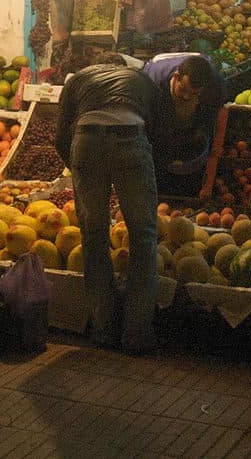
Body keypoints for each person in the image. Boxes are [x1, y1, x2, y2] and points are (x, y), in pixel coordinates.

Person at [54, 55, 159, 354]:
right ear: (121, 67)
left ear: (96, 64)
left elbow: (61, 136)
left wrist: (78, 167)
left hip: (85, 141)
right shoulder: (141, 80)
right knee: (143, 237)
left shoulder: (78, 79)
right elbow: (159, 129)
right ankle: (137, 334)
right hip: (131, 139)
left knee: (94, 238)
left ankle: (103, 330)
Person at [142, 53, 227, 198]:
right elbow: (149, 126)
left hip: (200, 94)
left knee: (198, 137)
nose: (187, 97)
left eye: (194, 93)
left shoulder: (214, 85)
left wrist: (201, 133)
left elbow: (212, 117)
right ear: (176, 77)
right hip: (159, 95)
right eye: (183, 89)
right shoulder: (151, 82)